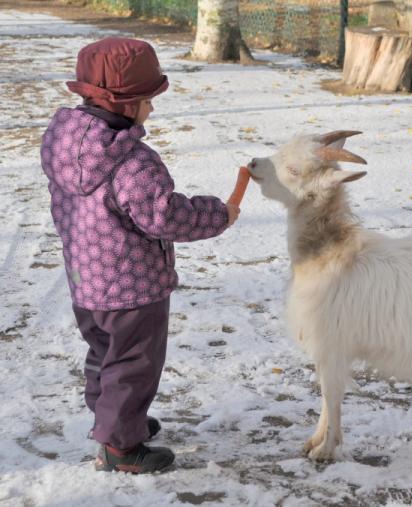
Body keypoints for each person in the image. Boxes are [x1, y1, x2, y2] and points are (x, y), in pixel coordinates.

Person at [40, 37, 240, 474]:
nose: (151, 110)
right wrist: (218, 214)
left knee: (104, 354)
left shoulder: (63, 143)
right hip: (133, 289)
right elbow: (164, 217)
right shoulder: (132, 163)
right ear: (126, 104)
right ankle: (121, 448)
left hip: (86, 281)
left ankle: (115, 420)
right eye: (148, 100)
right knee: (134, 365)